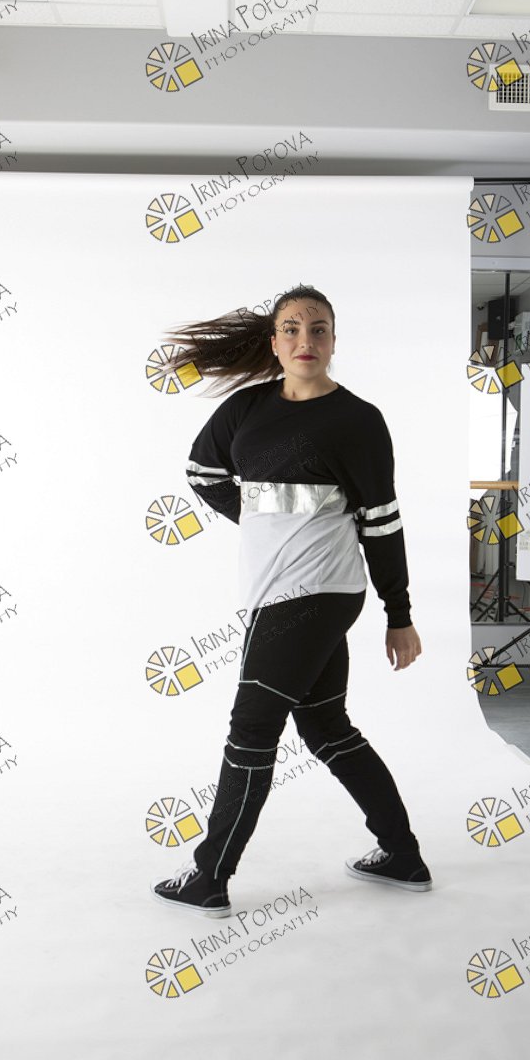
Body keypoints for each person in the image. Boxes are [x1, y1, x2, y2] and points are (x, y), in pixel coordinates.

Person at [150, 285, 431, 918]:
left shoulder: (358, 420)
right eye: (293, 329)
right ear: (274, 341)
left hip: (316, 594)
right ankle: (402, 855)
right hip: (274, 591)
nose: (307, 340)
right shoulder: (245, 409)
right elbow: (202, 473)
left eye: (319, 329)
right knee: (328, 727)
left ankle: (210, 876)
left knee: (251, 730)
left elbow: (382, 521)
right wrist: (259, 520)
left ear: (334, 340)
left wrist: (400, 614)